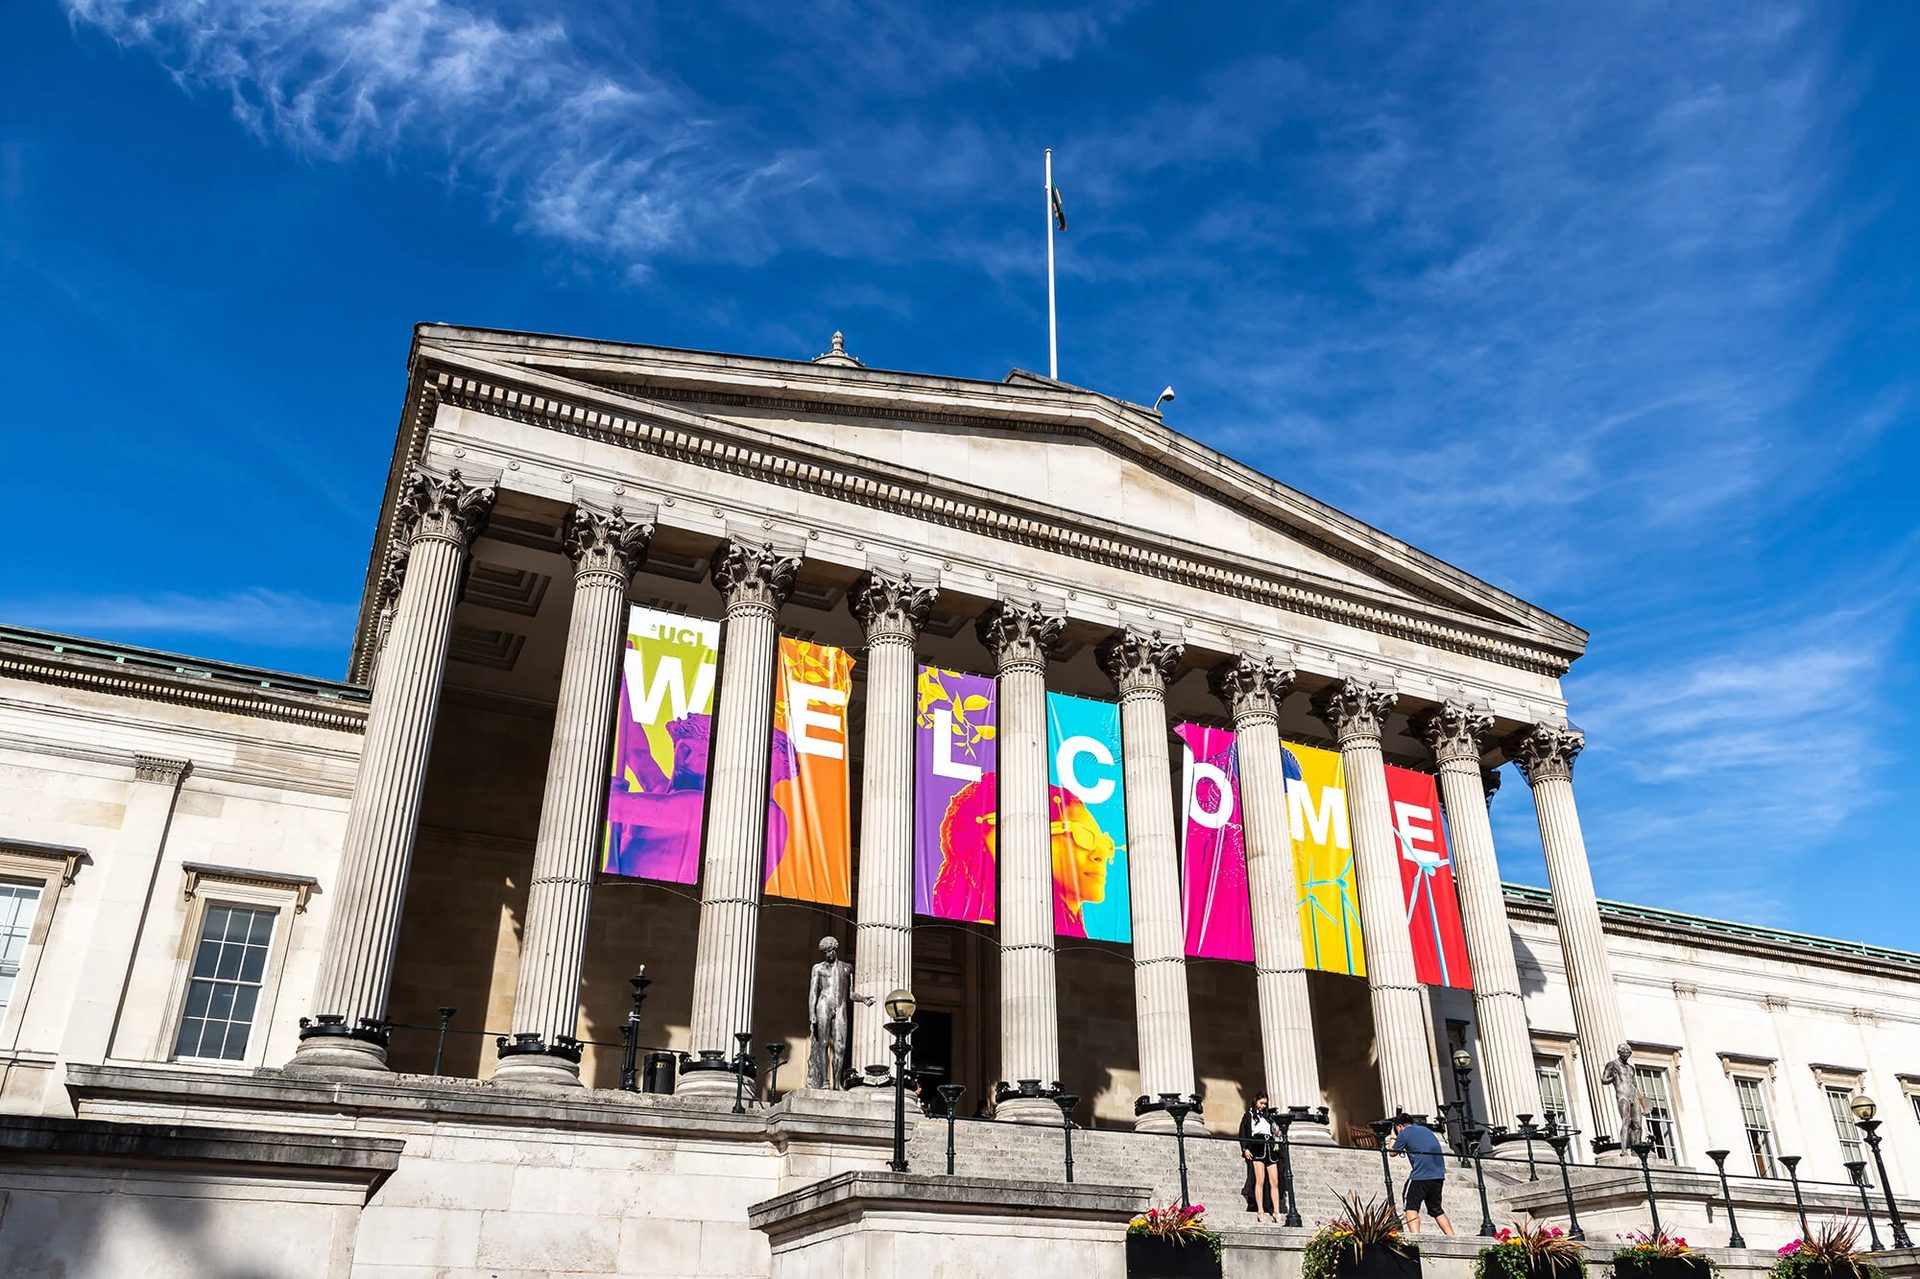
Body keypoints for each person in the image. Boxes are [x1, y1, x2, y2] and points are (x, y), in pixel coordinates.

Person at [1386, 1114, 1455, 1236]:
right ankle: (1451, 1236)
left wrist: (1393, 1136)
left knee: (1411, 1207)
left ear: (1399, 1126)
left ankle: (1416, 1238)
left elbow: (1392, 1153)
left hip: (1420, 1176)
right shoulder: (1425, 1130)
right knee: (1436, 1209)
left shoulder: (1404, 1133)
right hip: (1438, 1176)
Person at [1238, 1092, 1283, 1223]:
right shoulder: (1249, 1115)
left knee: (1274, 1181)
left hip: (1270, 1147)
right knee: (1260, 1180)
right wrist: (1245, 1148)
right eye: (1261, 1103)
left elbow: (1275, 1131)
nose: (1263, 1106)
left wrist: (1279, 1132)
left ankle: (1276, 1210)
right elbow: (1243, 1131)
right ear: (1255, 1101)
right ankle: (1260, 1210)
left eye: (1265, 1104)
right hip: (1257, 1147)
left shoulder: (1269, 1117)